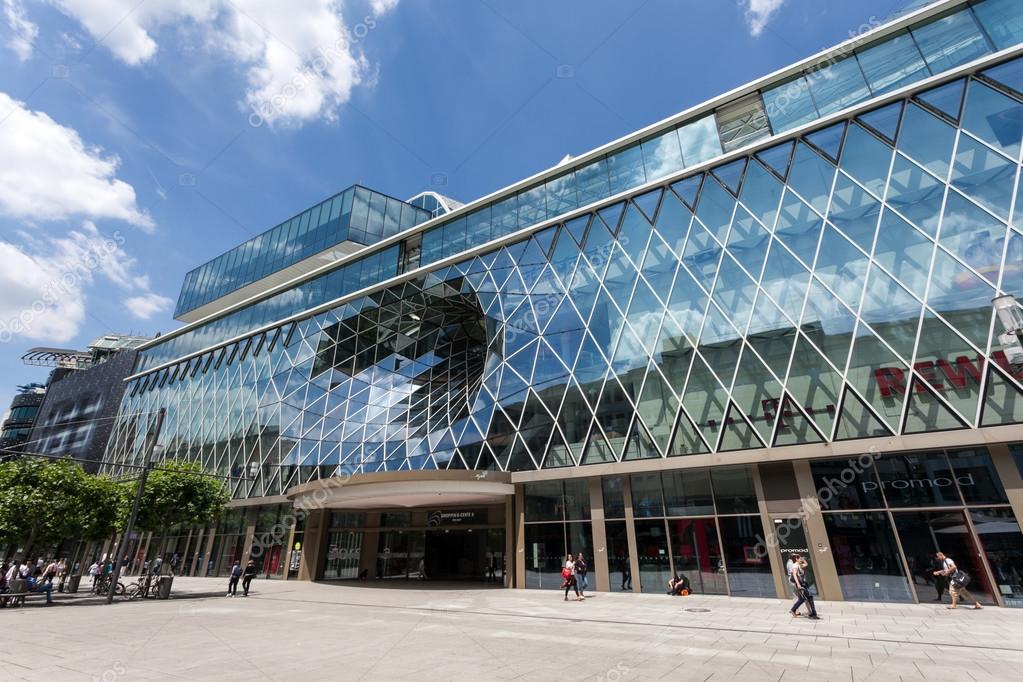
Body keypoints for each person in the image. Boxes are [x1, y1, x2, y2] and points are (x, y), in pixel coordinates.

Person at [788, 554, 819, 620]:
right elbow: (795, 575)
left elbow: (806, 564)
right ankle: (813, 613)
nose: (801, 559)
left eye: (801, 558)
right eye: (799, 558)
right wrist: (798, 584)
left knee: (806, 598)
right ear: (796, 559)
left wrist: (803, 560)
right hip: (800, 584)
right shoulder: (795, 566)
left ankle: (813, 613)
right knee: (805, 598)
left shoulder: (800, 565)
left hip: (804, 583)